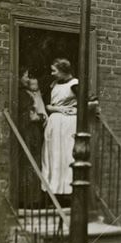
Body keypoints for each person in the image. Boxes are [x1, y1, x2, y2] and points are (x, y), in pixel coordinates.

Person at [41, 58, 78, 201]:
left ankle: (67, 192)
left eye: (54, 70)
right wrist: (58, 108)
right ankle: (53, 191)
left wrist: (74, 110)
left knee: (66, 155)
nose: (52, 73)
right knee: (52, 155)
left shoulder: (75, 84)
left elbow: (88, 102)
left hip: (67, 124)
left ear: (63, 71)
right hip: (54, 124)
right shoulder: (54, 84)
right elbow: (48, 105)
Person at [17, 67, 47, 206]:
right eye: (26, 76)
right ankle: (29, 199)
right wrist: (39, 118)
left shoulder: (31, 94)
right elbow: (30, 116)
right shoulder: (24, 95)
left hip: (32, 131)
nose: (28, 79)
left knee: (33, 161)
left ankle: (33, 199)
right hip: (28, 132)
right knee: (30, 162)